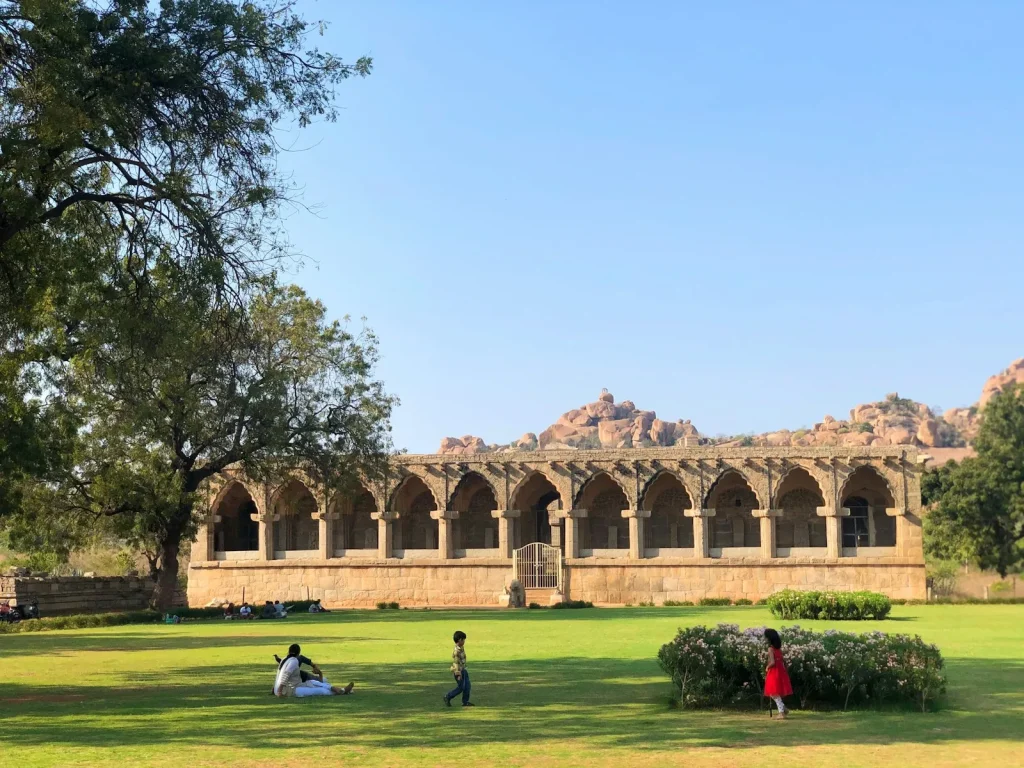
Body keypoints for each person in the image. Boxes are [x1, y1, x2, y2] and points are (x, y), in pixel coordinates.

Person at [273, 643, 354, 698]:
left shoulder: (284, 659)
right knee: (321, 691)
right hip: (292, 690)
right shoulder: (294, 661)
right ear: (298, 653)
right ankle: (342, 691)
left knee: (316, 683)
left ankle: (342, 690)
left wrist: (276, 690)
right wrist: (280, 692)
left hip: (296, 686)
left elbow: (279, 676)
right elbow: (285, 675)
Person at [763, 628, 793, 719]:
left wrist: (767, 667)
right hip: (780, 670)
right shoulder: (778, 649)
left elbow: (772, 662)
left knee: (773, 692)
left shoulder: (770, 649)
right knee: (775, 691)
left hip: (774, 671)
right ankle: (783, 708)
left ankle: (781, 712)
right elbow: (783, 660)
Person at [443, 630, 473, 707]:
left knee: (467, 686)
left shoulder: (461, 648)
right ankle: (448, 696)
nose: (464, 641)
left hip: (464, 670)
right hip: (459, 671)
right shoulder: (457, 652)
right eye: (463, 639)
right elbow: (456, 663)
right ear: (459, 640)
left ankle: (465, 702)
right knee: (461, 688)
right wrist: (458, 674)